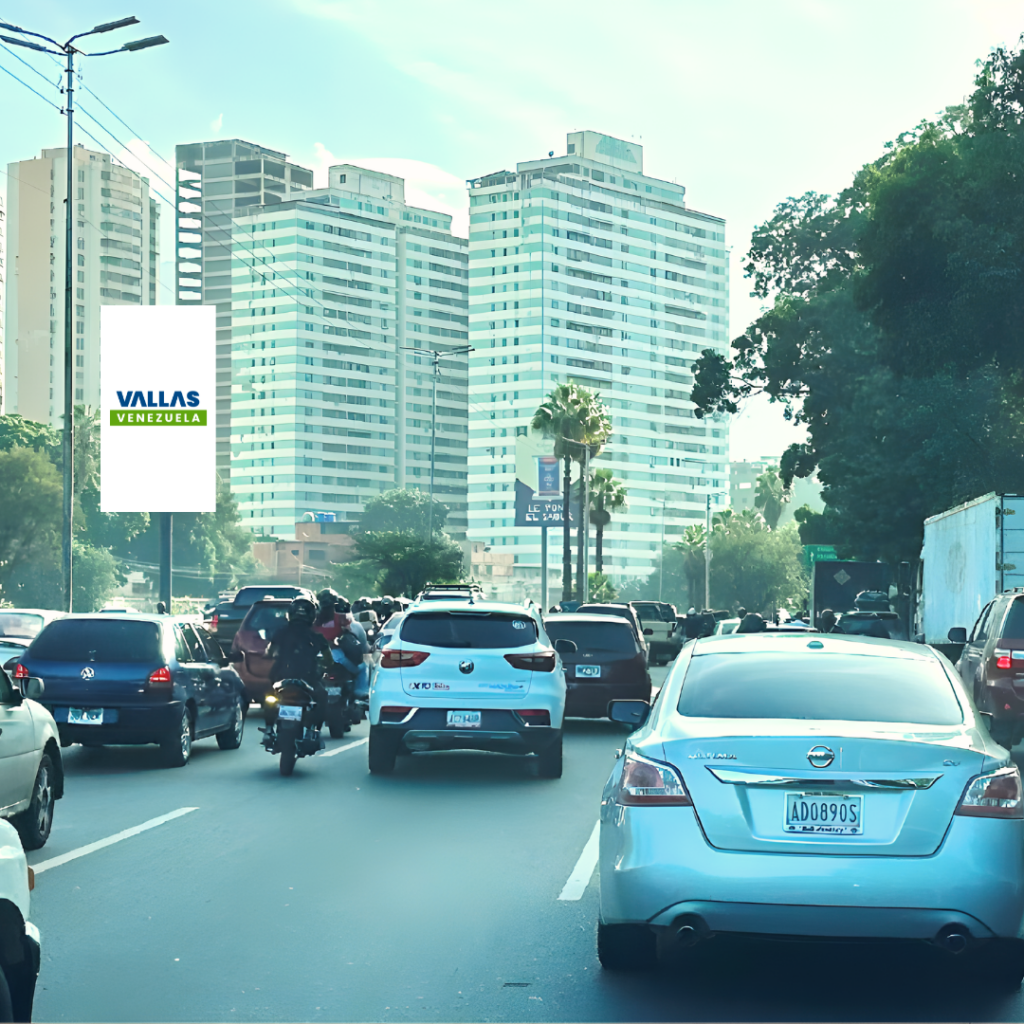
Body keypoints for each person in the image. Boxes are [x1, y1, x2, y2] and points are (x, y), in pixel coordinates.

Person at [268, 596, 333, 732]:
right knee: (322, 697)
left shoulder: (280, 633)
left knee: (269, 696)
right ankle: (314, 730)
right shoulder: (317, 637)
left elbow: (270, 652)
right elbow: (329, 659)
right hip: (308, 678)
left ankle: (269, 729)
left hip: (281, 676)